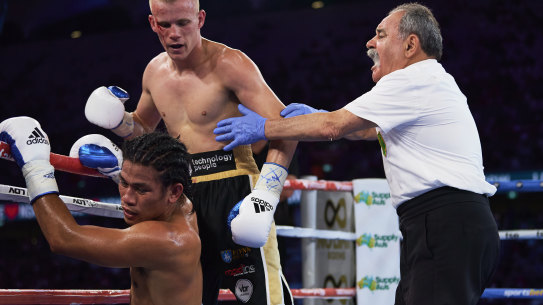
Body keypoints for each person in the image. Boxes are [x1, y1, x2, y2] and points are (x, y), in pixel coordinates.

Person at [213, 3, 500, 305]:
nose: (370, 43)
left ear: (410, 45)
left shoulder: (411, 79)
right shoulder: (431, 81)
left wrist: (265, 127)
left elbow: (332, 127)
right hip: (450, 225)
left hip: (444, 224)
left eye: (381, 35)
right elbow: (364, 130)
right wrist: (320, 115)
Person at [82, 0, 296, 304]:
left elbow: (288, 128)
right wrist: (121, 123)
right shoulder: (154, 72)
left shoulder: (231, 64)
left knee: (263, 298)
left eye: (183, 23)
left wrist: (267, 194)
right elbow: (143, 128)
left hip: (234, 188)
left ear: (200, 18)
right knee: (188, 298)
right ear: (153, 23)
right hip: (182, 198)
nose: (174, 34)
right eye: (165, 25)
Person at [0, 116, 202, 305]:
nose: (127, 198)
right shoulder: (181, 206)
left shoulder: (168, 240)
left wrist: (35, 166)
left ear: (174, 192)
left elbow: (64, 239)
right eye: (123, 182)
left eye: (141, 189)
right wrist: (118, 170)